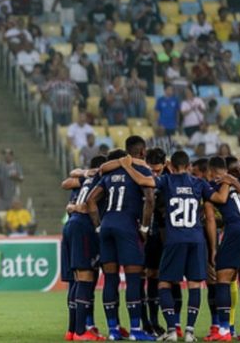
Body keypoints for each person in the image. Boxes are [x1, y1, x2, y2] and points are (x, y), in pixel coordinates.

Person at [92, 137, 156, 341]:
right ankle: (136, 331)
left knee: (110, 280)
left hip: (108, 225)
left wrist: (99, 227)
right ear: (142, 152)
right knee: (133, 280)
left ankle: (113, 330)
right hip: (127, 226)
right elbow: (150, 200)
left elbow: (91, 201)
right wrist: (145, 228)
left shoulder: (110, 173)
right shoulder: (143, 171)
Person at [154, 151, 216, 343]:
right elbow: (218, 199)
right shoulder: (199, 183)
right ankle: (189, 332)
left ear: (171, 166)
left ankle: (172, 329)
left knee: (164, 283)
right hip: (196, 239)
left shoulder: (166, 180)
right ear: (189, 165)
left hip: (175, 239)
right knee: (195, 284)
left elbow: (149, 181)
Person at [205, 156, 240, 342]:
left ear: (211, 172)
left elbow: (211, 220)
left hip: (237, 229)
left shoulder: (214, 185)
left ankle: (223, 331)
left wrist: (213, 249)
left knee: (222, 279)